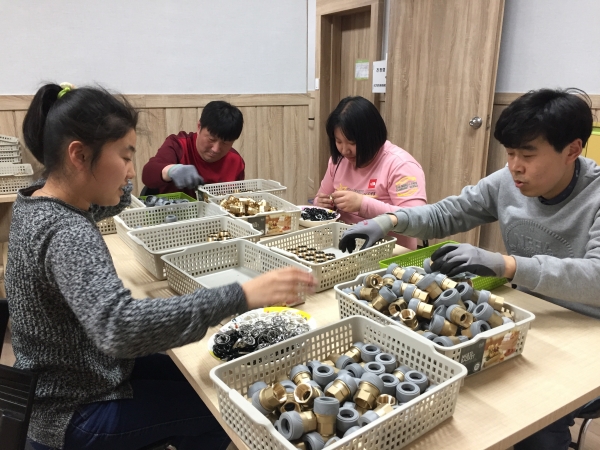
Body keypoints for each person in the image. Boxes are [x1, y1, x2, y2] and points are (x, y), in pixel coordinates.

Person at [6, 83, 315, 450]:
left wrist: (122, 179)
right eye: (125, 157)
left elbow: (110, 202)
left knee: (207, 378)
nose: (131, 171)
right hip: (72, 410)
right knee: (222, 408)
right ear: (79, 155)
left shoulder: (38, 198)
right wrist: (241, 295)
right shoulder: (67, 231)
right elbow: (120, 328)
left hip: (83, 374)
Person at [338, 87, 598, 449]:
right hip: (527, 317)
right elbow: (448, 213)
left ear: (572, 150)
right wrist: (391, 220)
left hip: (586, 332)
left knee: (536, 424)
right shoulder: (507, 181)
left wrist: (506, 264)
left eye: (527, 154)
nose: (515, 166)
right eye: (510, 153)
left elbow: (596, 279)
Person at [313, 96, 426, 249]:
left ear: (372, 136)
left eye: (352, 143)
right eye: (338, 141)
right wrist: (321, 204)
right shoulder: (338, 161)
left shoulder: (401, 165)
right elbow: (320, 200)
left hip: (390, 252)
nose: (344, 150)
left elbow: (418, 220)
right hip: (345, 247)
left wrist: (362, 204)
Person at [142, 100, 245, 197]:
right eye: (211, 139)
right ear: (199, 127)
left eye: (225, 143)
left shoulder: (236, 162)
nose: (216, 149)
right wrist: (171, 170)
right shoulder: (178, 146)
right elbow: (147, 175)